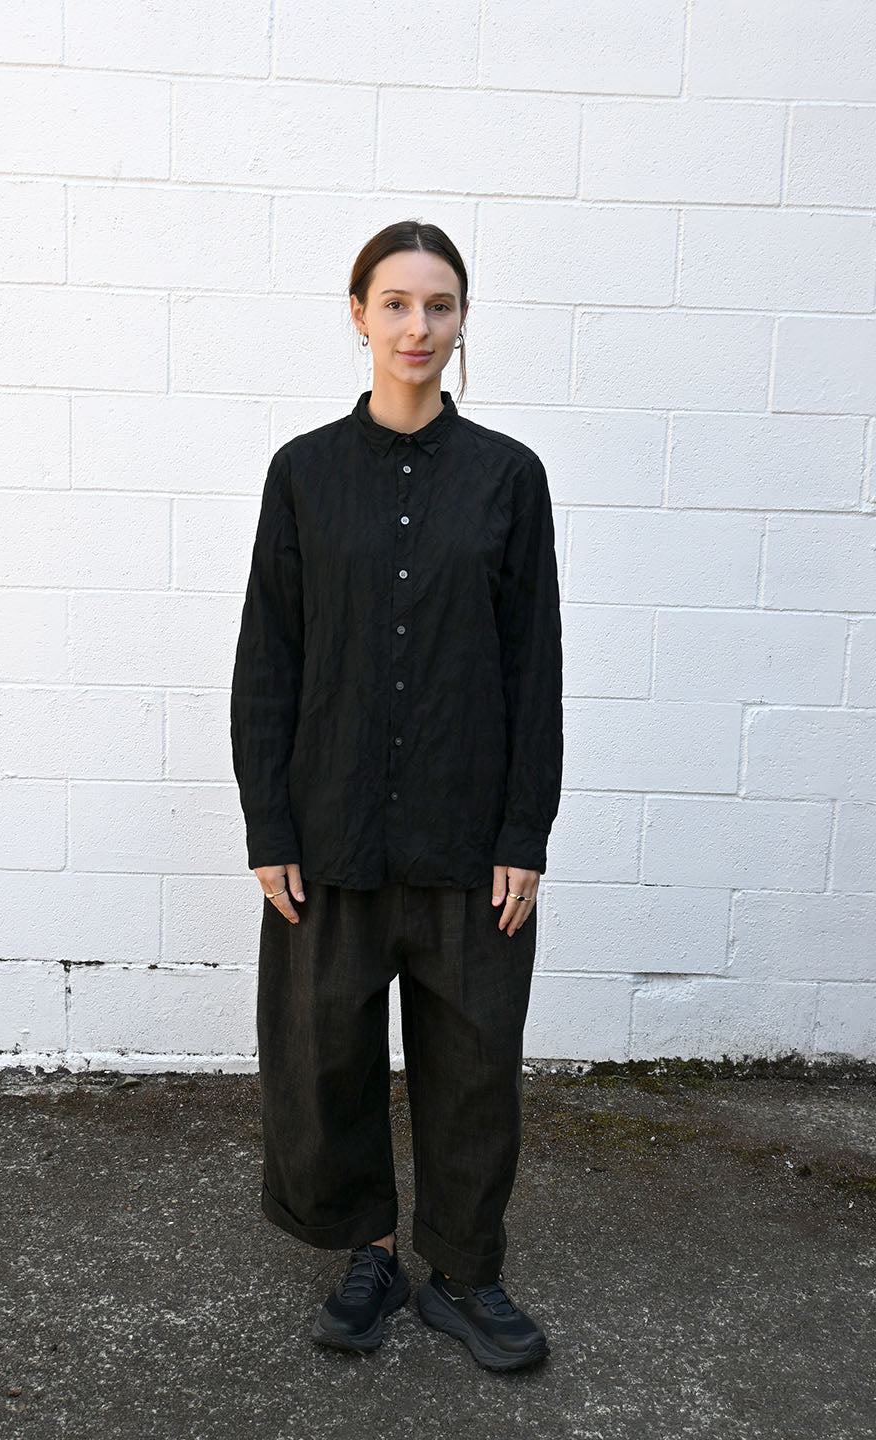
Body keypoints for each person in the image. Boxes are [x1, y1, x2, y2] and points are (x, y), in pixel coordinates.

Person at [230, 219, 563, 1372]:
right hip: (329, 830)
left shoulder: (509, 477)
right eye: (397, 303)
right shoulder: (304, 474)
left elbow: (533, 664)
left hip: (472, 834)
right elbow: (269, 656)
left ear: (463, 320)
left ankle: (464, 1273)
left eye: (441, 305)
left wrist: (524, 830)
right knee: (323, 1057)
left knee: (474, 1068)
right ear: (358, 314)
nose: (419, 327)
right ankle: (367, 1250)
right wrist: (269, 823)